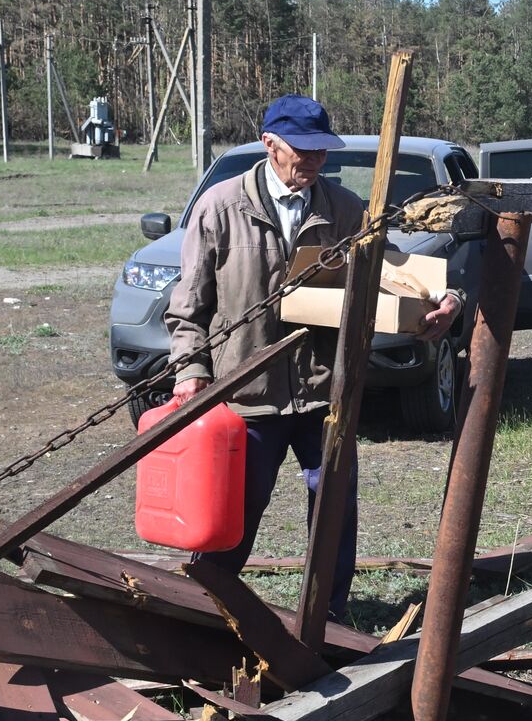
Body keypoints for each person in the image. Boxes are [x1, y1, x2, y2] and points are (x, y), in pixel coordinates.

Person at [165, 94, 463, 619]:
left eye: (322, 152)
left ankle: (327, 615)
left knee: (332, 509)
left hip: (324, 393)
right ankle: (204, 612)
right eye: (302, 151)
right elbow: (187, 308)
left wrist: (446, 297)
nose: (314, 162)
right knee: (233, 512)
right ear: (269, 145)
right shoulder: (220, 207)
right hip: (245, 397)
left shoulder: (345, 210)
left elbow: (393, 273)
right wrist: (191, 372)